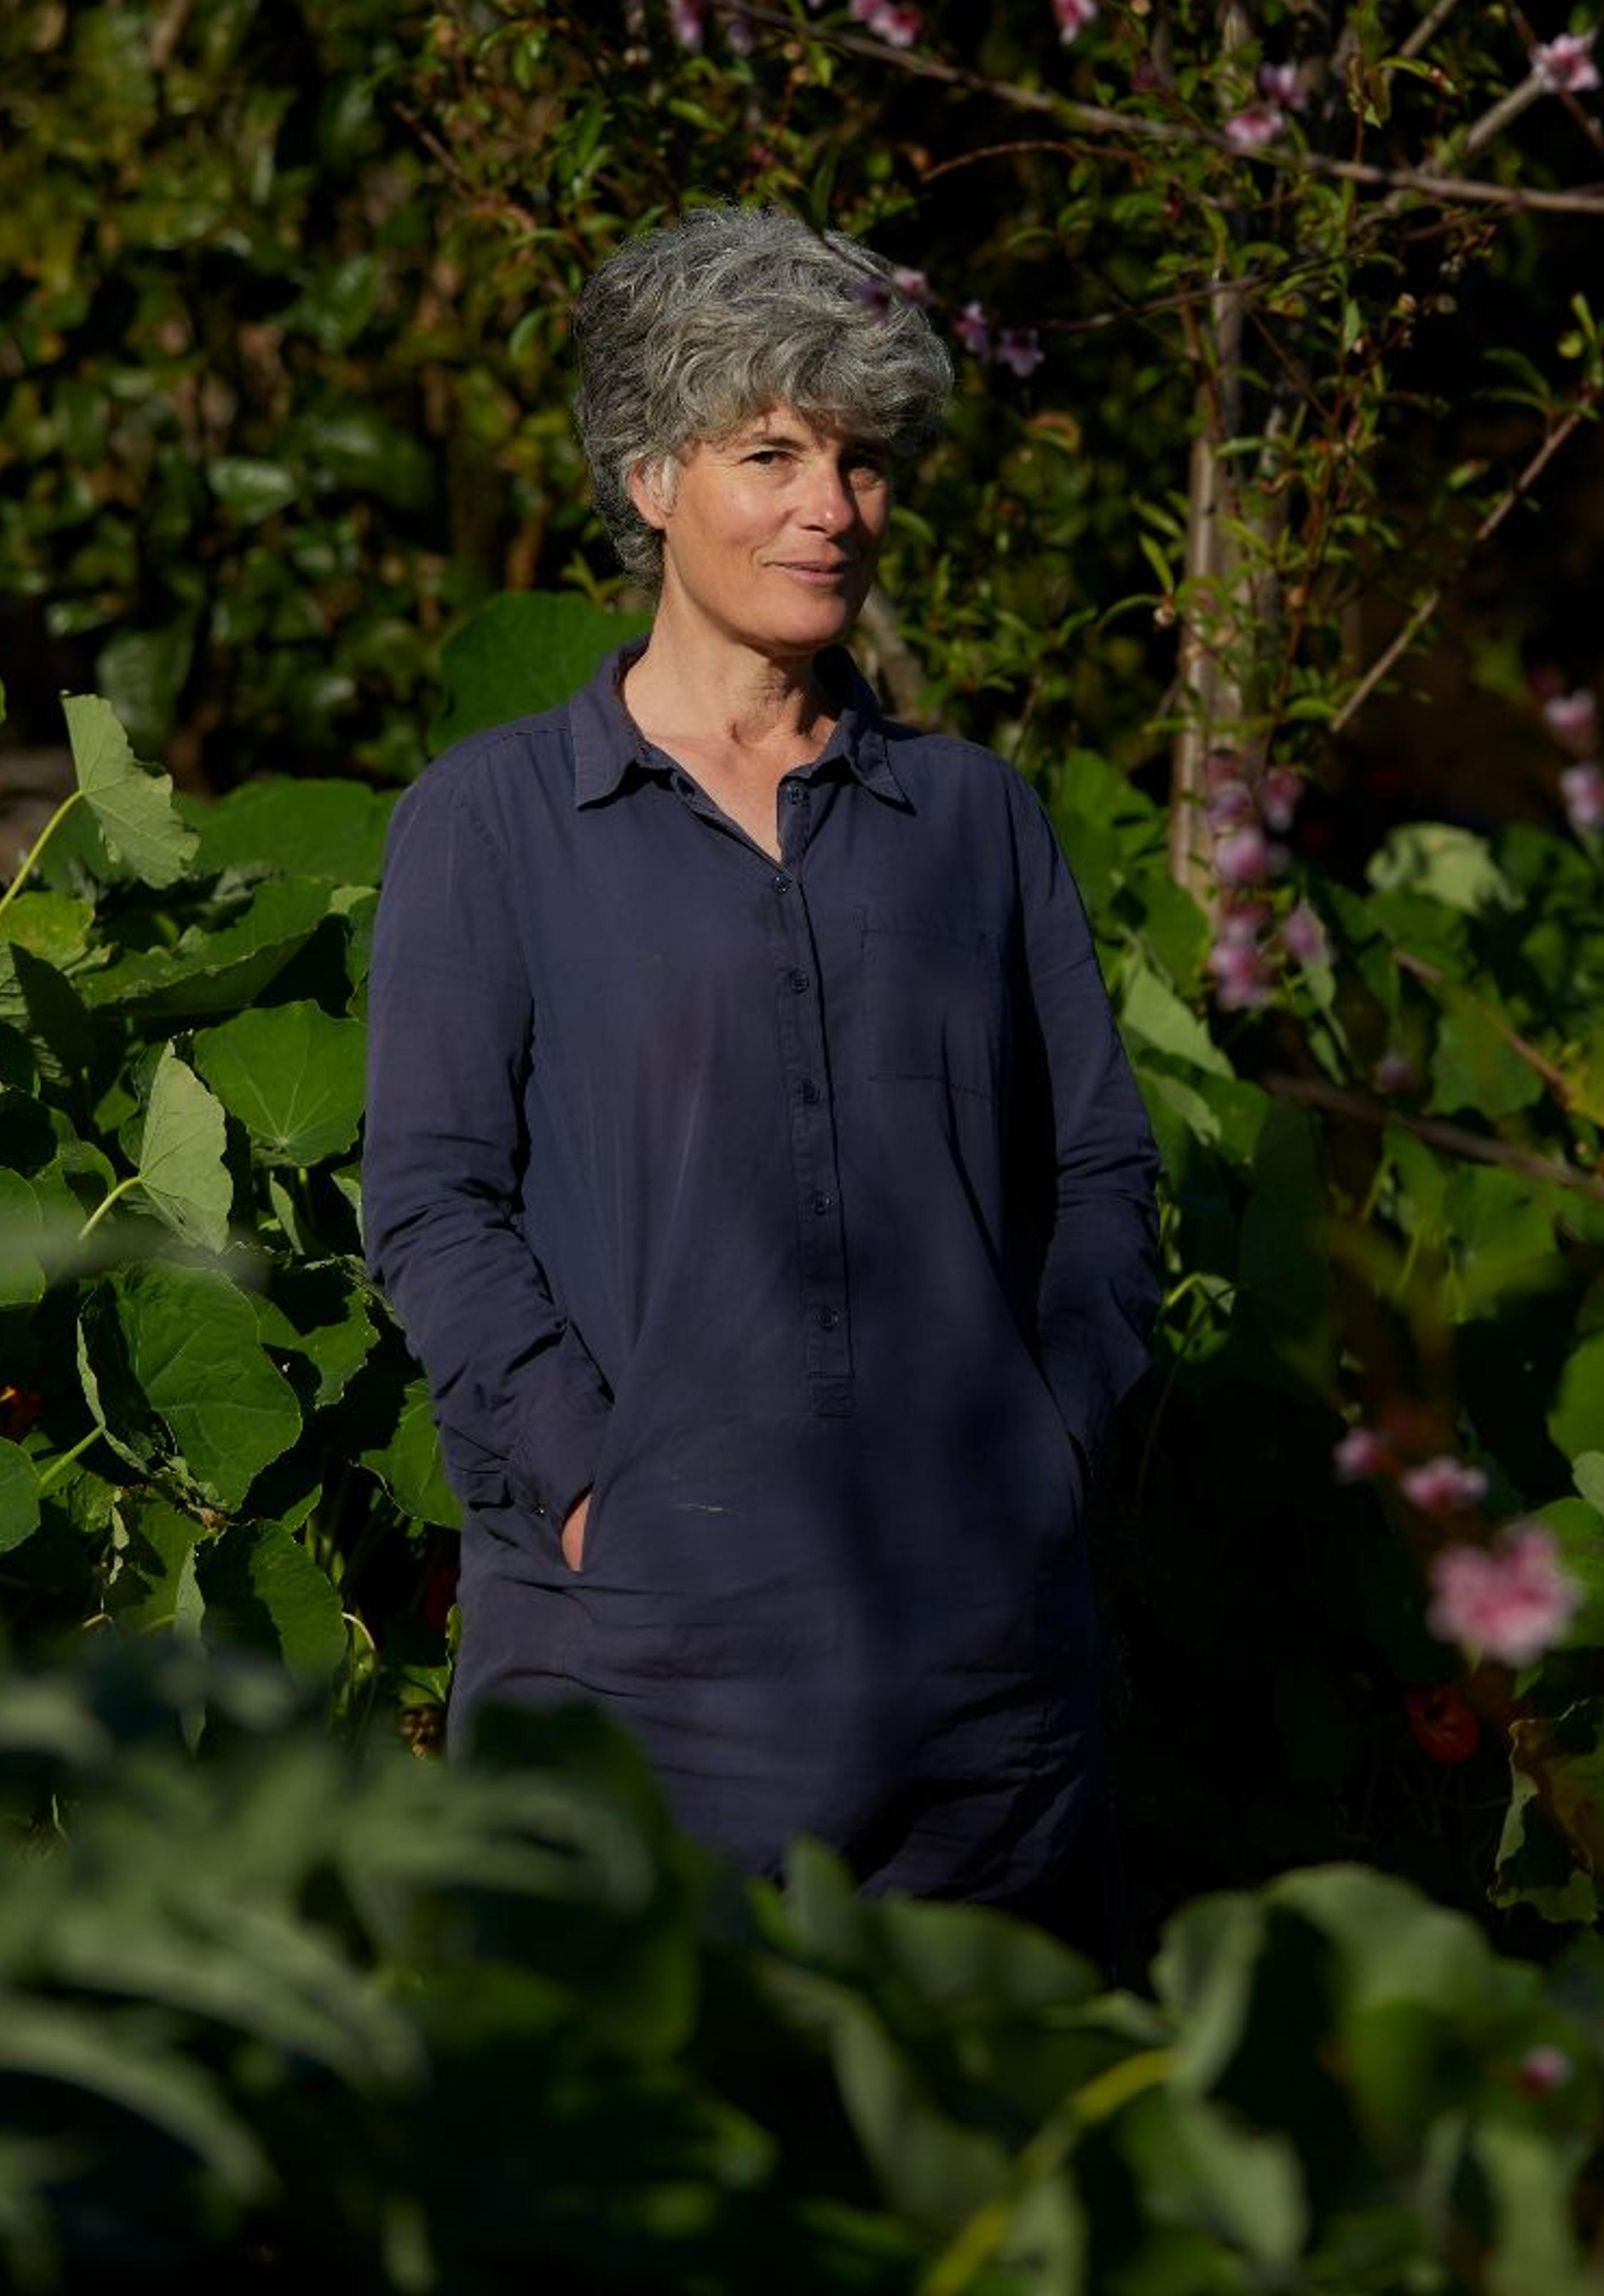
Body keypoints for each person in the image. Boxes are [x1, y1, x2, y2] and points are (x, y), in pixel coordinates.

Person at [363, 205, 1159, 1946]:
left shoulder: (974, 822)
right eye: (773, 454)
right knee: (633, 2111)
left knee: (974, 2117)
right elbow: (432, 1201)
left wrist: (1053, 1451)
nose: (832, 509)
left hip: (982, 1699)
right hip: (633, 1679)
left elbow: (1101, 1170)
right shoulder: (494, 823)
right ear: (650, 477)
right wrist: (597, 1485)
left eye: (861, 461)